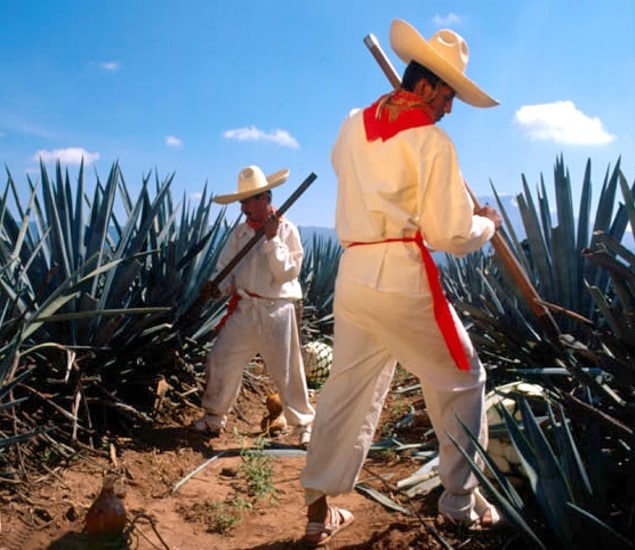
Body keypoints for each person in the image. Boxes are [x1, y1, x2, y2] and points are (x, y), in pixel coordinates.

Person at [299, 19, 504, 546]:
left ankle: (318, 511)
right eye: (448, 94)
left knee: (346, 388)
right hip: (401, 275)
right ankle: (460, 502)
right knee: (462, 379)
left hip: (353, 271)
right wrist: (487, 223)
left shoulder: (352, 123)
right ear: (426, 85)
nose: (450, 107)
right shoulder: (433, 143)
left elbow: (343, 166)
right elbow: (451, 234)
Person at [191, 165, 315, 447]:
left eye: (249, 200)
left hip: (277, 310)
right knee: (221, 359)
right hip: (245, 309)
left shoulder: (286, 230)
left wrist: (272, 240)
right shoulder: (239, 235)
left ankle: (304, 425)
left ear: (266, 198)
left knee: (287, 370)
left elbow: (287, 273)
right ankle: (213, 419)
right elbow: (226, 271)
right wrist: (216, 288)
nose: (244, 206)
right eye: (242, 201)